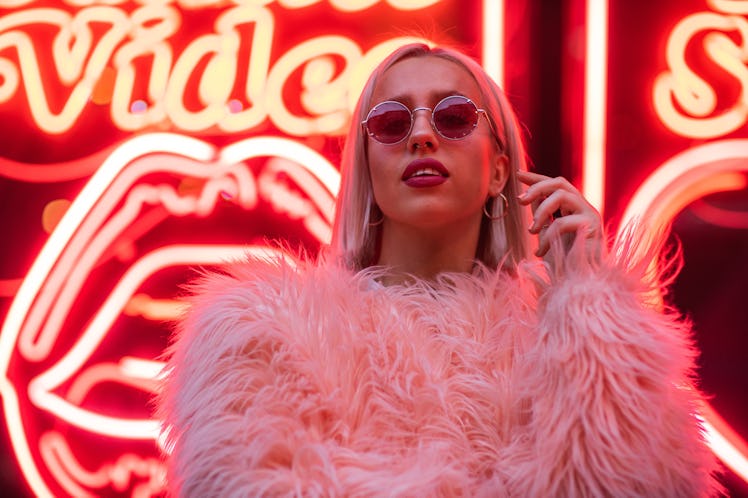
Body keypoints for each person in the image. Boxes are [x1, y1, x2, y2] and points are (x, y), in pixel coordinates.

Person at [156, 44, 722, 496]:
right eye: (390, 122)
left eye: (453, 117)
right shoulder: (262, 333)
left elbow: (634, 480)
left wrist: (594, 307)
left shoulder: (568, 341)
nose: (421, 135)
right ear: (368, 167)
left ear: (499, 169)